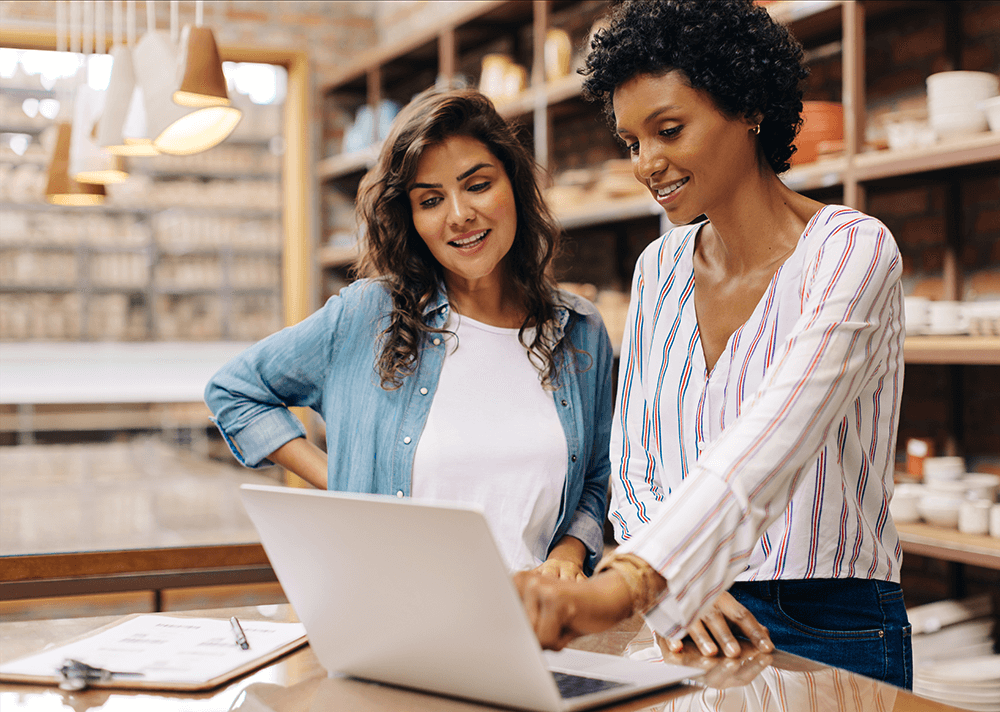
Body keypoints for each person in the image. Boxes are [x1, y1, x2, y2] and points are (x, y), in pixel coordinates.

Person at [514, 0, 911, 690]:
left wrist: (636, 579)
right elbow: (635, 460)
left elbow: (777, 434)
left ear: (748, 106)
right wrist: (674, 586)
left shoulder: (851, 251)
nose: (647, 164)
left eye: (669, 130)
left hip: (829, 621)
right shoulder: (658, 269)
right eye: (633, 142)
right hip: (679, 618)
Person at [205, 88, 613, 578]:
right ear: (411, 219)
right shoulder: (369, 315)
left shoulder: (579, 329)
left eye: (478, 185)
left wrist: (569, 553)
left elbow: (593, 476)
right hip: (398, 623)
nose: (459, 214)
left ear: (514, 186)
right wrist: (343, 485)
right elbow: (235, 391)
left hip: (541, 631)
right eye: (432, 200)